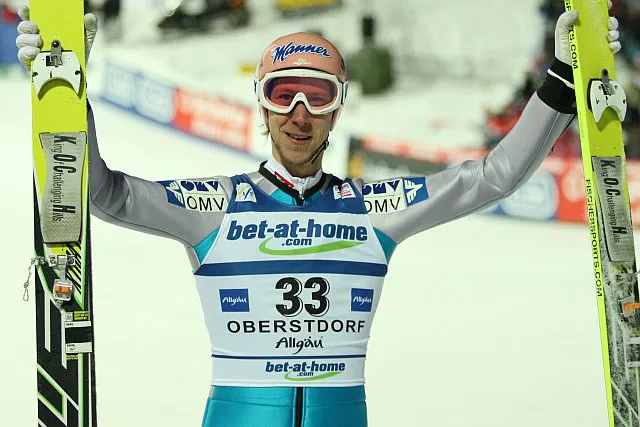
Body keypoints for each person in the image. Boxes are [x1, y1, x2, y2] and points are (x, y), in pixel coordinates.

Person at [16, 5, 622, 427]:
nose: (299, 114)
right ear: (261, 105)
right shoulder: (215, 208)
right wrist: (67, 97)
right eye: (283, 95)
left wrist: (560, 82)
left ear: (338, 109)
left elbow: (493, 177)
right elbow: (104, 194)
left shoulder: (373, 211)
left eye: (318, 95)